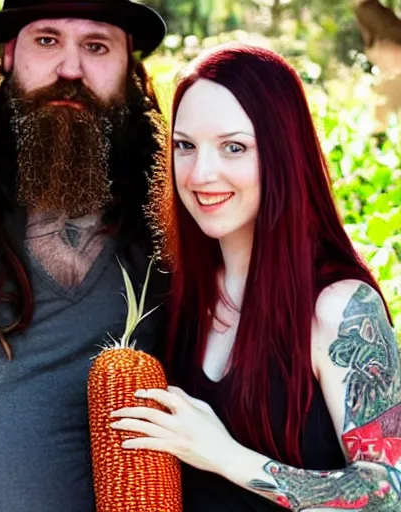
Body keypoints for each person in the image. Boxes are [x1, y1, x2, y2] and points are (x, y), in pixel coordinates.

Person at [0, 1, 169, 511]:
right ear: (8, 56)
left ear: (129, 67)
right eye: (47, 40)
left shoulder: (168, 216)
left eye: (96, 46)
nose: (70, 68)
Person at [110, 44, 401, 511]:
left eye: (234, 147)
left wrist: (227, 457)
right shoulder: (182, 295)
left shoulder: (341, 308)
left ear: (284, 154)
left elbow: (389, 492)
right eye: (185, 146)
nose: (201, 174)